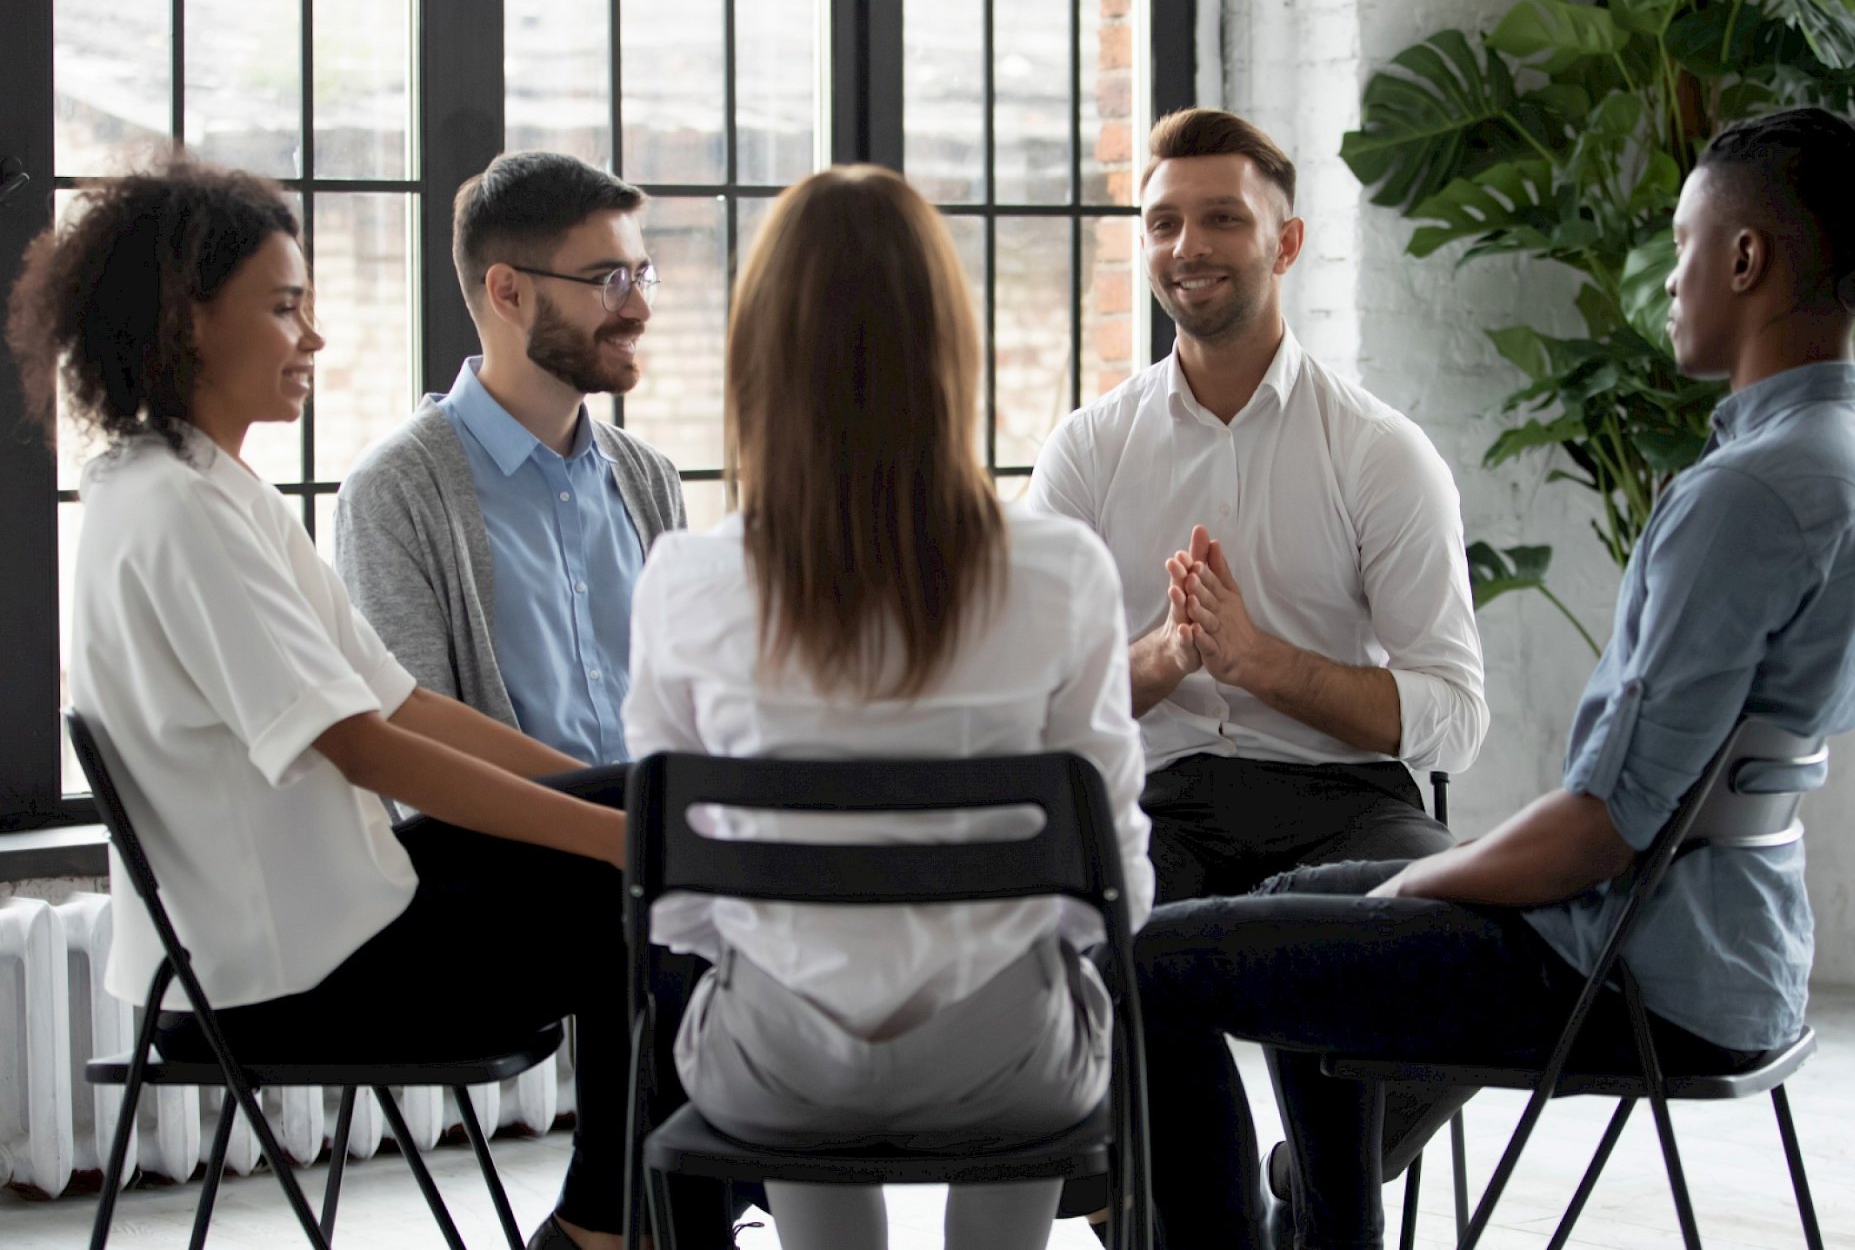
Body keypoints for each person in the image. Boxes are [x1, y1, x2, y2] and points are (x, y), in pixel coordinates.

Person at [1134, 106, 1855, 1249]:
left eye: (1679, 248)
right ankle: (1325, 1233)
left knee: (1155, 960)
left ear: (1744, 259)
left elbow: (1599, 829)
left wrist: (1420, 886)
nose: (1667, 281)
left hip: (1622, 972)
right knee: (1287, 924)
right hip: (1739, 960)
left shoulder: (1743, 494)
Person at [8, 156, 660, 1250]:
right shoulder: (176, 508)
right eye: (283, 307)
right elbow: (364, 746)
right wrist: (614, 835)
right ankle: (611, 1228)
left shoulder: (202, 482)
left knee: (672, 812)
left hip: (339, 920)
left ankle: (632, 1219)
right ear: (186, 320)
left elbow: (399, 701)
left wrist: (629, 805)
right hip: (300, 971)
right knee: (649, 895)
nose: (311, 337)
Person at [621, 164, 1156, 1250]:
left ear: (758, 359)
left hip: (776, 1067)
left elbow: (675, 909)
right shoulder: (1062, 572)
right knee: (1033, 998)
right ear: (947, 353)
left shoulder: (684, 577)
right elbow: (1116, 894)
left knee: (784, 997)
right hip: (1008, 1066)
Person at [1028, 107, 1489, 1220]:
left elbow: (1453, 712)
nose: (1187, 245)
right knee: (1101, 941)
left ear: (1283, 243)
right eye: (1161, 222)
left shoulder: (1377, 452)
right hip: (1159, 799)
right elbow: (1036, 701)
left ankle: (1319, 1190)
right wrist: (1169, 655)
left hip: (1342, 805)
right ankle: (1203, 1219)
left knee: (1467, 947)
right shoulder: (1089, 449)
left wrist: (1262, 663)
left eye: (1221, 219)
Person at [336, 151, 684, 765]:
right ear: (508, 292)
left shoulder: (651, 480)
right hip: (504, 861)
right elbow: (414, 765)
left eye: (641, 276)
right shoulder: (394, 491)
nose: (639, 309)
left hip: (664, 853)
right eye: (610, 281)